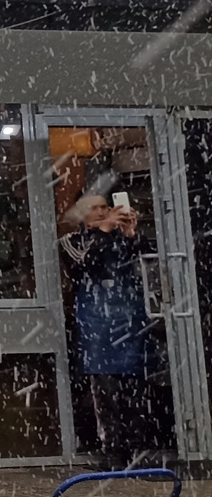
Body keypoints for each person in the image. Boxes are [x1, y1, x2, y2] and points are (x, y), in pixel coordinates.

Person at [60, 193, 160, 467]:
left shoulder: (119, 239)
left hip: (129, 320)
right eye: (97, 208)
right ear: (83, 214)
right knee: (105, 392)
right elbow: (84, 266)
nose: (104, 211)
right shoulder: (71, 242)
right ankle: (112, 451)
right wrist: (104, 231)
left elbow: (147, 261)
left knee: (136, 390)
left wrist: (129, 232)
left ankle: (139, 450)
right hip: (98, 326)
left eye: (106, 206)